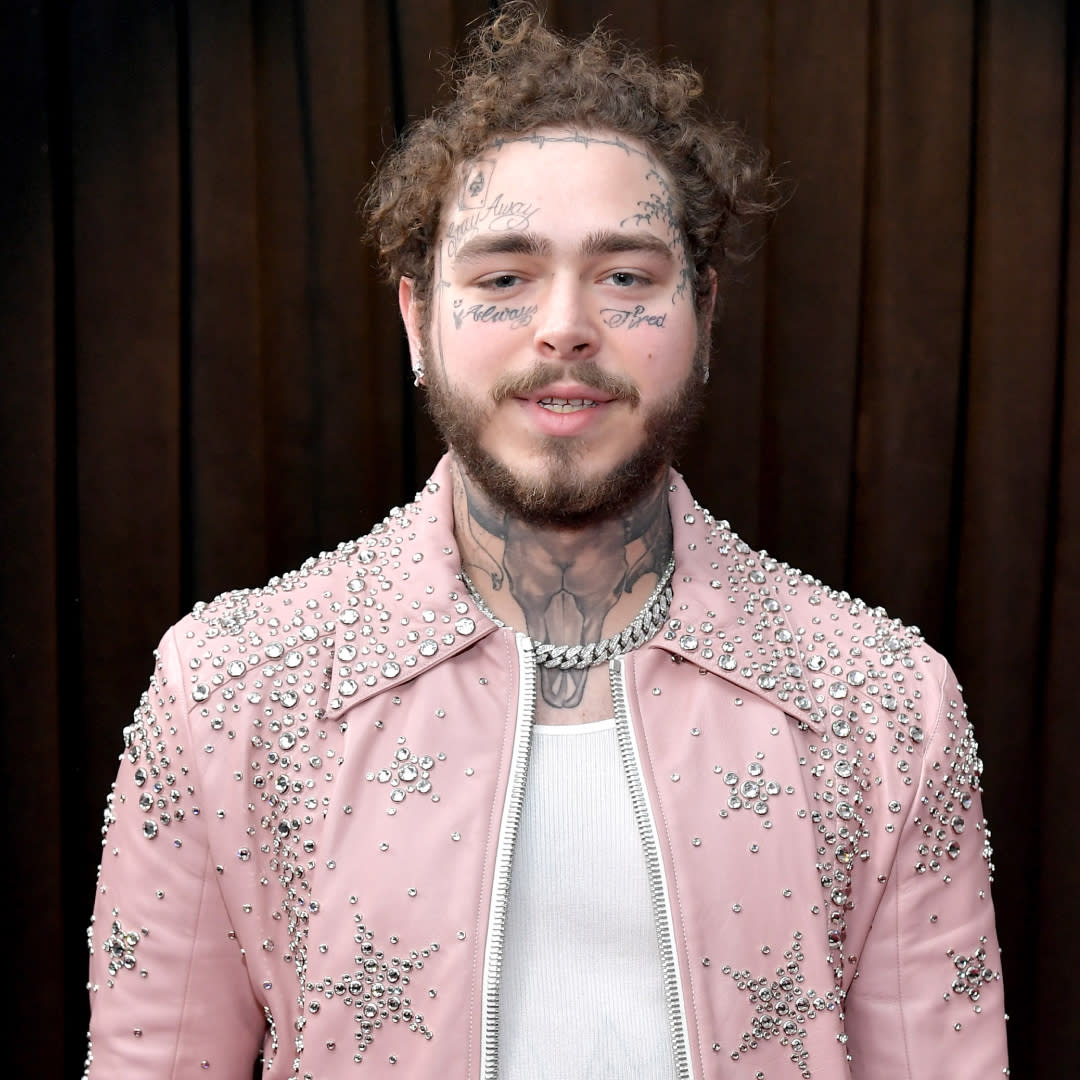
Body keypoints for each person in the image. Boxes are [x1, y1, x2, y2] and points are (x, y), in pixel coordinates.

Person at [85, 5, 1008, 1077]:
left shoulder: (887, 706)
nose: (565, 326)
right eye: (503, 277)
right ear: (416, 321)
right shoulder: (227, 692)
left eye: (626, 276)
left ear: (702, 315)